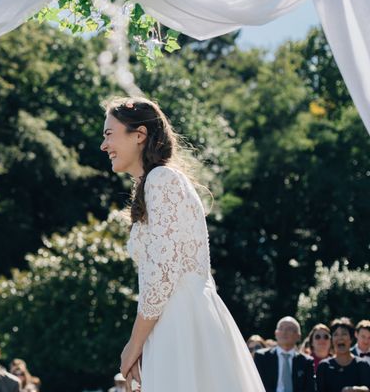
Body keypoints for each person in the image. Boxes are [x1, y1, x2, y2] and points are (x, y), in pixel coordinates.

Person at [99, 96, 265, 391]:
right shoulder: (152, 183)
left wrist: (132, 346)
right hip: (170, 321)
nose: (104, 146)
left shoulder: (161, 180)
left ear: (139, 135)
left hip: (181, 321)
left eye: (109, 134)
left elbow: (161, 277)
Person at [254, 316, 316, 392]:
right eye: (281, 328)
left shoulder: (306, 362)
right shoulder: (261, 357)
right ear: (276, 333)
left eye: (289, 329)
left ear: (298, 336)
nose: (284, 332)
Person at [317, 318, 370, 392]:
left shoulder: (362, 365)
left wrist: (358, 390)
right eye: (336, 334)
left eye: (344, 334)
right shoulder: (324, 366)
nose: (340, 338)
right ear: (332, 340)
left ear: (351, 339)